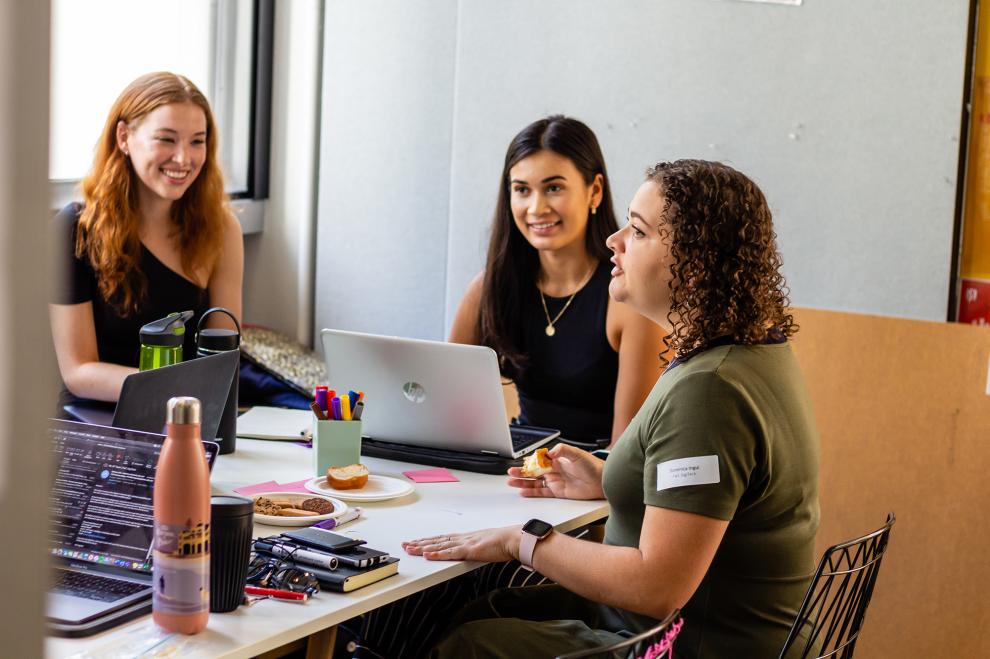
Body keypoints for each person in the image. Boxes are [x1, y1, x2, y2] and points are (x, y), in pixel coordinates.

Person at [404, 159, 821, 659]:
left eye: (639, 231)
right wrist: (607, 479)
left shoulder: (710, 390)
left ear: (696, 265)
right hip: (680, 626)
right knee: (481, 611)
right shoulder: (746, 354)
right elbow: (710, 496)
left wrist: (521, 541)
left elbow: (656, 586)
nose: (614, 241)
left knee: (468, 644)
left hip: (680, 643)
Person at [449, 116, 665, 446]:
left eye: (554, 188)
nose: (536, 208)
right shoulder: (488, 288)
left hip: (597, 480)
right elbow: (443, 408)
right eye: (521, 190)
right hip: (517, 472)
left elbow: (628, 450)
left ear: (594, 191)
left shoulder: (627, 299)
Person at [50, 72, 243, 405]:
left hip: (187, 413)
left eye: (197, 141)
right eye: (166, 139)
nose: (184, 158)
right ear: (124, 137)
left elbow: (224, 356)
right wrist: (176, 387)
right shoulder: (75, 228)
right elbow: (79, 371)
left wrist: (188, 397)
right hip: (98, 415)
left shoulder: (222, 228)